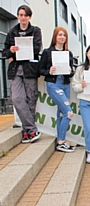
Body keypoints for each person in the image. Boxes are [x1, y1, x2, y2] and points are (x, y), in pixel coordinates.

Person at [3, 5, 42, 143]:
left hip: (30, 69)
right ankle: (32, 129)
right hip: (15, 70)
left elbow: (37, 48)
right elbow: (5, 51)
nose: (23, 18)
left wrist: (25, 48)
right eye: (21, 15)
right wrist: (11, 51)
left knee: (31, 99)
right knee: (17, 99)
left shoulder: (35, 31)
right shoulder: (12, 32)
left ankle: (27, 132)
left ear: (29, 17)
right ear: (18, 16)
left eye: (26, 15)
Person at [39, 27, 75, 153]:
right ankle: (62, 141)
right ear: (55, 36)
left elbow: (71, 72)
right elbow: (40, 69)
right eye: (60, 35)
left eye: (64, 35)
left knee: (61, 113)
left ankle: (60, 140)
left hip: (65, 84)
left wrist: (71, 71)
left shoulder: (68, 53)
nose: (62, 37)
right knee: (69, 112)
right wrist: (49, 71)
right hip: (53, 84)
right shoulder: (47, 52)